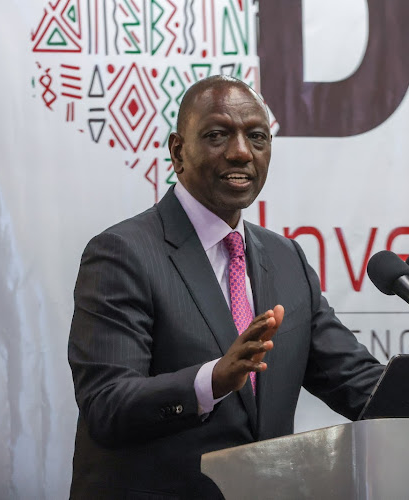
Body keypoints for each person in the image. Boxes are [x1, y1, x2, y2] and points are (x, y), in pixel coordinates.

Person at [67, 75, 383, 499]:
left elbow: (356, 383)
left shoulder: (286, 260)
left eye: (256, 137)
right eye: (218, 135)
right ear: (178, 152)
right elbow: (107, 404)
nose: (240, 152)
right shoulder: (123, 254)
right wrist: (211, 380)